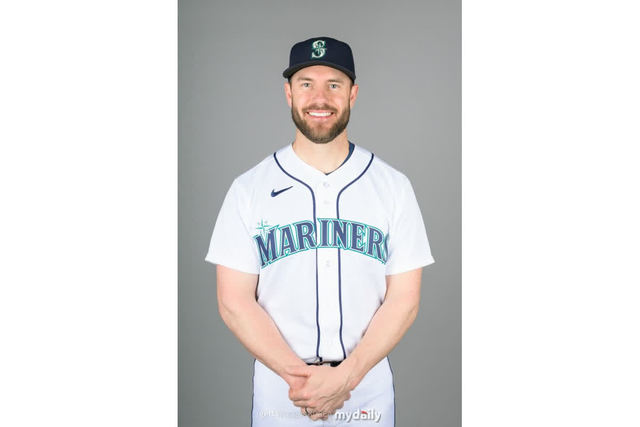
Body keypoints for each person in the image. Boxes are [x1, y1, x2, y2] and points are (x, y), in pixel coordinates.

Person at [205, 36, 435, 426]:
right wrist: (300, 379)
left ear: (353, 94)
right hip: (282, 388)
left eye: (334, 84)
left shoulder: (393, 186)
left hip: (365, 385)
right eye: (306, 84)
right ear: (289, 93)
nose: (319, 98)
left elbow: (404, 300)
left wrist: (346, 377)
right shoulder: (249, 188)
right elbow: (234, 301)